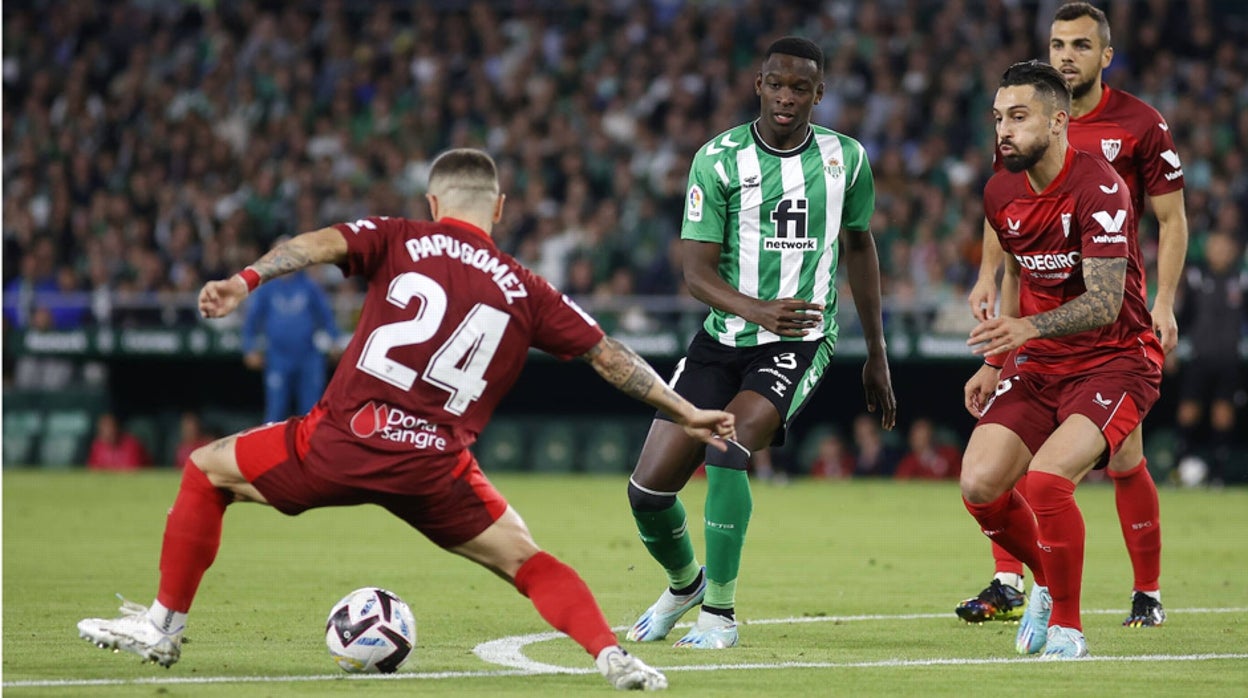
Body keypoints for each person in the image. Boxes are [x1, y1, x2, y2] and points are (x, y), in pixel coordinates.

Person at [78, 148, 739, 691]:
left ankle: (163, 627)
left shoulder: (397, 237)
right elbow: (611, 358)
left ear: (432, 203)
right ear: (498, 209)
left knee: (205, 470)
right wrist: (687, 412)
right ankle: (610, 655)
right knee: (527, 560)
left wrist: (244, 281)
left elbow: (312, 246)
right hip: (435, 467)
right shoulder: (527, 288)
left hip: (340, 442)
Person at [624, 36, 896, 651]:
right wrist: (756, 310)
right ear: (759, 85)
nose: (786, 97)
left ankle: (719, 613)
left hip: (798, 342)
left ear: (819, 94)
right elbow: (696, 274)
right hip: (723, 338)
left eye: (800, 87)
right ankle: (685, 584)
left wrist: (876, 352)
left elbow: (859, 246)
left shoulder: (847, 159)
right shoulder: (717, 160)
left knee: (727, 447)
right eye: (776, 84)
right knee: (647, 493)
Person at [961, 2, 1186, 629]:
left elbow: (1170, 220)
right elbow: (1011, 246)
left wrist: (1165, 301)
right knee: (991, 474)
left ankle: (1140, 592)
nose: (1066, 54)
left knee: (1111, 461)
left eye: (1081, 45)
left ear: (1105, 55)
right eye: (1058, 44)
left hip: (1111, 331)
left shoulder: (1134, 131)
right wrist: (995, 336)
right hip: (1041, 338)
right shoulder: (1010, 162)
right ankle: (1018, 580)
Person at [1172, 231, 1246, 487]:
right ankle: (1179, 465)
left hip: (1229, 358)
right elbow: (1183, 318)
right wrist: (1173, 349)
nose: (1219, 252)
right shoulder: (1196, 278)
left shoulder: (1241, 280)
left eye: (1224, 247)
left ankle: (1218, 473)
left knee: (1223, 412)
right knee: (1188, 409)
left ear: (1233, 251)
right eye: (1215, 246)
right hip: (1199, 357)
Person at [241, 241, 343, 423]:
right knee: (276, 411)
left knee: (312, 412)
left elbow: (326, 316)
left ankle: (312, 443)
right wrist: (249, 348)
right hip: (278, 357)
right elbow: (251, 321)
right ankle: (271, 443)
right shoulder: (266, 289)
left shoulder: (310, 286)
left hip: (308, 356)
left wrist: (335, 341)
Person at [894, 417, 960, 480]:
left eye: (923, 437)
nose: (920, 441)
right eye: (917, 438)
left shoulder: (950, 455)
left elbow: (961, 478)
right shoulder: (908, 463)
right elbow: (901, 482)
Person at [86, 412, 153, 471]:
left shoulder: (131, 445)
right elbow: (93, 470)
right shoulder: (97, 446)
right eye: (103, 429)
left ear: (117, 428)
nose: (107, 432)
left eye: (110, 427)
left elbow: (132, 472)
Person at [850, 411, 902, 478]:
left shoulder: (894, 457)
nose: (867, 440)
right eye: (862, 436)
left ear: (879, 434)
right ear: (856, 439)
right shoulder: (851, 461)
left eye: (871, 433)